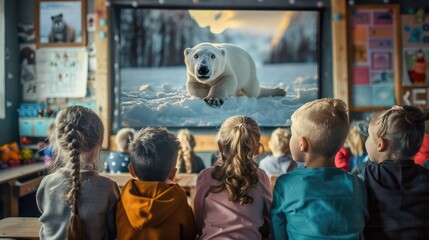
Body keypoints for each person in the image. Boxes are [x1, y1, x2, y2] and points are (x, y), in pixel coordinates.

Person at [270, 98, 367, 239]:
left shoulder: (285, 183)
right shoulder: (356, 183)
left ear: (302, 144)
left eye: (292, 134)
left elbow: (278, 230)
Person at [36, 106, 120, 240]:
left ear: (59, 142)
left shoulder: (46, 183)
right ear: (98, 145)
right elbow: (114, 230)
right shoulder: (108, 187)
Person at [194, 115, 272, 239]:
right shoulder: (261, 176)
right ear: (257, 149)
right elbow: (268, 220)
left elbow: (198, 223)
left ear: (220, 147)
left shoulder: (206, 176)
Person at [116, 127, 196, 240]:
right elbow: (190, 233)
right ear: (172, 174)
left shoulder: (124, 195)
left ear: (132, 171)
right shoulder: (178, 197)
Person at [362, 105, 429, 239]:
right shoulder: (426, 177)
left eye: (369, 136)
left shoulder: (368, 175)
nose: (366, 140)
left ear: (380, 144)